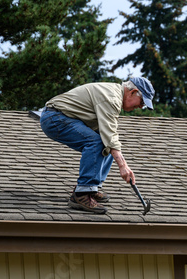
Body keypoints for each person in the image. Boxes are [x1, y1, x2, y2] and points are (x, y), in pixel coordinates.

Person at [40, 77, 155, 214]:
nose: (141, 107)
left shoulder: (115, 95)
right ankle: (82, 194)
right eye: (142, 102)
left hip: (64, 117)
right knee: (97, 142)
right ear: (132, 92)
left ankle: (90, 188)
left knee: (106, 143)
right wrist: (123, 166)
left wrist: (120, 160)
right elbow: (110, 136)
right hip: (54, 118)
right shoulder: (112, 98)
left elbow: (109, 138)